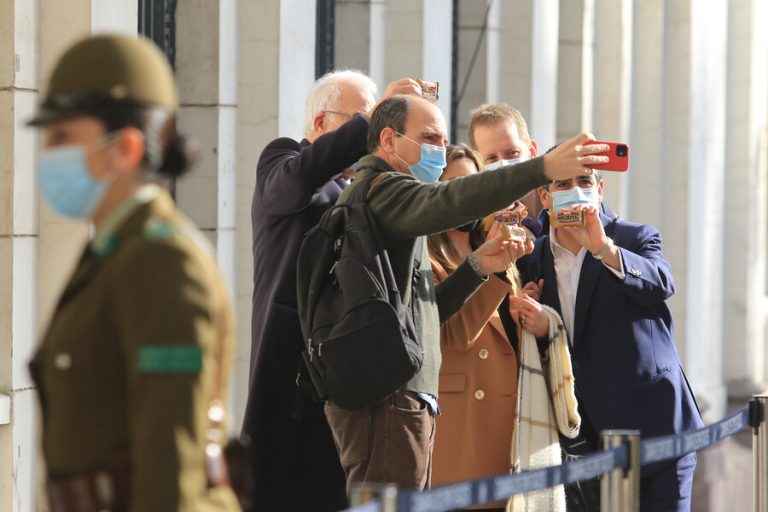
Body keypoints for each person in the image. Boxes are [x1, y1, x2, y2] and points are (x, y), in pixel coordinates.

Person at [323, 94, 609, 492]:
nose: (439, 150)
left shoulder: (390, 202)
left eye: (443, 139)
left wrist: (479, 266)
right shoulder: (382, 191)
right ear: (388, 140)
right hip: (389, 406)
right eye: (429, 138)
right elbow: (452, 199)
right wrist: (543, 167)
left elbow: (426, 312)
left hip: (405, 407)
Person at [27, 34, 239, 511]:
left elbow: (171, 461)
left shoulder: (163, 263)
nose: (47, 151)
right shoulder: (114, 252)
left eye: (62, 136)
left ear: (124, 148)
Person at [242, 69, 423, 511]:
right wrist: (377, 115)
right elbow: (301, 179)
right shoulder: (283, 159)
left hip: (348, 374)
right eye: (362, 117)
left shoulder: (359, 185)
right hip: (292, 367)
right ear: (321, 122)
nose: (373, 130)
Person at [517, 169, 704, 511]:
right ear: (545, 197)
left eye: (585, 182)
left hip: (659, 432)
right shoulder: (534, 258)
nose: (575, 190)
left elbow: (661, 283)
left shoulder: (634, 237)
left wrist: (604, 249)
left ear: (600, 190)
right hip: (586, 443)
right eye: (562, 184)